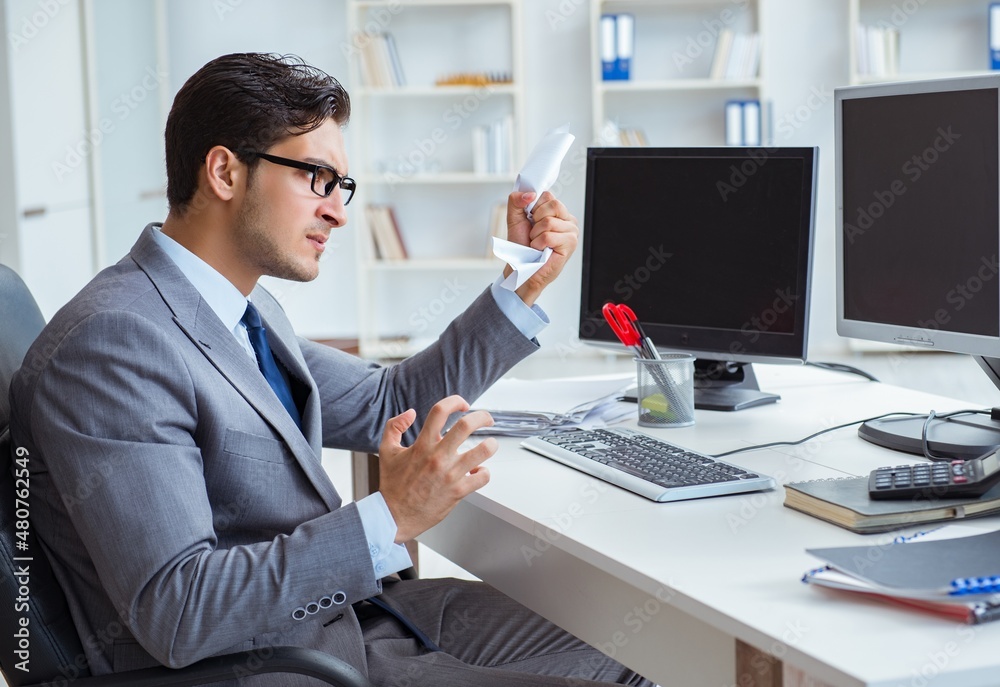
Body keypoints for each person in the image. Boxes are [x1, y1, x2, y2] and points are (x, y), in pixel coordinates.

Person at [9, 53, 652, 686]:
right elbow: (179, 611)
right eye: (317, 178)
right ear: (226, 172)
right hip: (271, 665)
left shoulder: (242, 307)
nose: (338, 212)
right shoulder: (114, 344)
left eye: (341, 187)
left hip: (345, 621)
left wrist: (520, 286)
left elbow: (388, 400)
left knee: (645, 650)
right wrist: (389, 516)